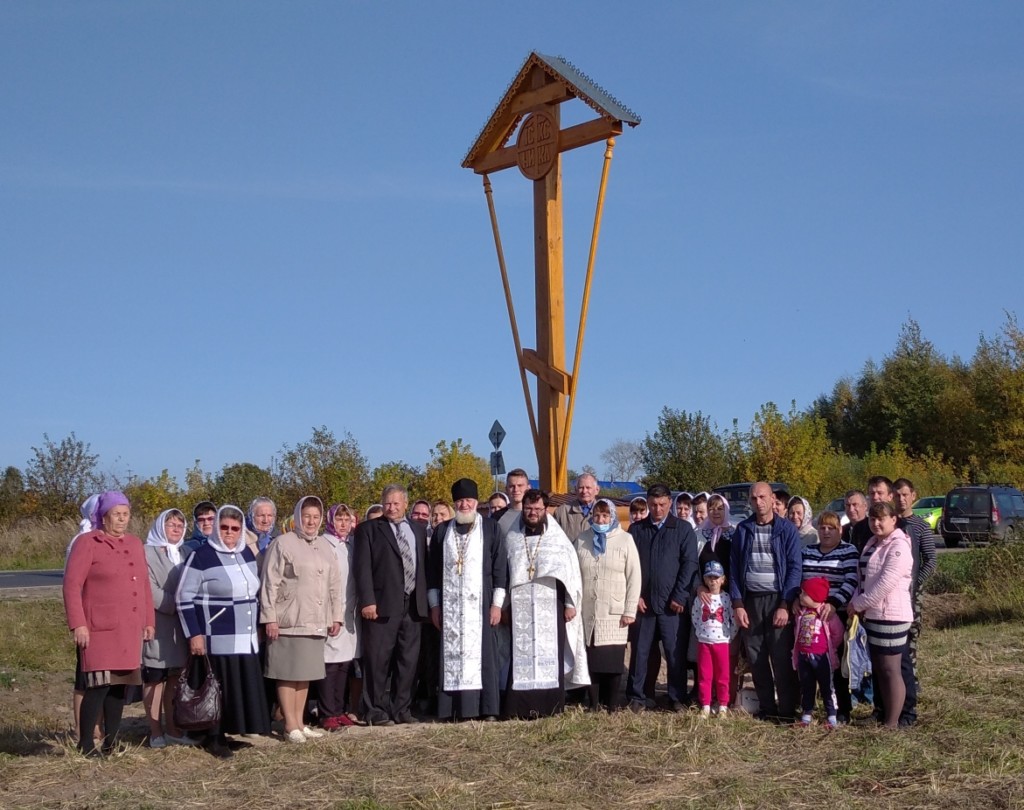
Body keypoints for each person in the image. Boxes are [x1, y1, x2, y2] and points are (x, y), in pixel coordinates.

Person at [63, 491, 155, 756]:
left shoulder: (135, 544)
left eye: (126, 514)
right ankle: (86, 743)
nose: (122, 520)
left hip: (128, 628)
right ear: (103, 517)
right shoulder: (87, 542)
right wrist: (78, 624)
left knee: (120, 686)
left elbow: (145, 585)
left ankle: (111, 742)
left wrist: (148, 620)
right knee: (98, 685)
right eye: (117, 515)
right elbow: (71, 586)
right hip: (99, 628)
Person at [177, 505, 271, 758]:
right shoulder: (201, 556)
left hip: (245, 636)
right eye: (224, 527)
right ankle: (213, 737)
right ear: (216, 528)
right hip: (215, 636)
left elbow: (254, 592)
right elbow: (183, 598)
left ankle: (228, 733)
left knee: (235, 688)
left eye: (235, 529)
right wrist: (194, 634)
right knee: (216, 689)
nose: (229, 533)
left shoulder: (246, 554)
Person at [260, 496, 342, 744]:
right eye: (307, 516)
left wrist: (335, 616)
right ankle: (289, 724)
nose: (311, 521)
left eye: (316, 517)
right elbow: (269, 583)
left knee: (304, 672)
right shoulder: (282, 543)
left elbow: (335, 584)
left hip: (315, 619)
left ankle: (300, 722)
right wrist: (269, 618)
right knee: (287, 672)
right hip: (288, 620)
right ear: (297, 516)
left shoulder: (326, 546)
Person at [503, 488, 589, 718]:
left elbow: (570, 572)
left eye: (537, 509)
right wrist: (503, 606)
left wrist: (571, 603)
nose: (532, 513)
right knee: (520, 653)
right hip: (520, 607)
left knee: (550, 654)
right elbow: (504, 572)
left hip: (551, 607)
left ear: (546, 509)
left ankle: (550, 706)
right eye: (528, 508)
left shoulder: (557, 539)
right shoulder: (512, 537)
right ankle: (519, 707)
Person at [427, 478, 508, 721]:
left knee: (484, 656)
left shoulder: (491, 529)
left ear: (476, 502)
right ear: (455, 503)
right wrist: (434, 605)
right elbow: (433, 572)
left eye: (469, 500)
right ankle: (451, 710)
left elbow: (500, 569)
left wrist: (497, 604)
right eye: (460, 500)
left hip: (481, 605)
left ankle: (487, 709)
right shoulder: (443, 530)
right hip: (450, 608)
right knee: (451, 655)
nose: (464, 504)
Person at [353, 484, 429, 726]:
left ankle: (401, 709)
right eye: (387, 503)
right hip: (382, 605)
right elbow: (362, 568)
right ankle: (375, 710)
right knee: (378, 660)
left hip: (413, 605)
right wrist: (367, 601)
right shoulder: (369, 530)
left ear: (406, 504)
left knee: (408, 661)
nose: (392, 508)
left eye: (396, 503)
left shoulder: (417, 530)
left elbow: (424, 567)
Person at [730, 482, 802, 723]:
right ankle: (767, 708)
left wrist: (785, 603)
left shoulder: (786, 530)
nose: (758, 502)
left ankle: (787, 710)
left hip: (777, 600)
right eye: (753, 498)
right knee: (756, 657)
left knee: (781, 659)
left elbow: (794, 568)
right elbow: (735, 569)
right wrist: (738, 603)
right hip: (751, 601)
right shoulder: (743, 529)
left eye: (762, 497)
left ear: (773, 499)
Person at [625, 483, 699, 713]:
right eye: (653, 505)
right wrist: (634, 596)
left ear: (670, 504)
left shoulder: (683, 529)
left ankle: (676, 697)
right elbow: (628, 565)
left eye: (662, 505)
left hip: (672, 605)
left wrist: (680, 595)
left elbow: (690, 564)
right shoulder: (637, 530)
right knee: (640, 652)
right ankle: (637, 697)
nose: (658, 509)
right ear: (647, 503)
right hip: (644, 603)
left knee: (674, 653)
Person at [849, 501, 915, 729]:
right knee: (880, 669)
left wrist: (858, 603)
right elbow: (865, 578)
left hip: (892, 615)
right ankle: (885, 714)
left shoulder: (898, 546)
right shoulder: (874, 542)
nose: (876, 523)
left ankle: (892, 722)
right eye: (872, 519)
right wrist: (858, 601)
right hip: (875, 614)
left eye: (881, 519)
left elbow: (884, 584)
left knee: (891, 669)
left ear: (893, 520)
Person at [574, 498, 640, 713]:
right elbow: (574, 574)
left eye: (605, 516)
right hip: (588, 610)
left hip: (615, 611)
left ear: (612, 517)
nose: (600, 519)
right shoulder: (582, 539)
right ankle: (593, 704)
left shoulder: (625, 540)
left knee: (611, 661)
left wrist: (630, 610)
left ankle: (611, 704)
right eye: (597, 515)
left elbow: (634, 576)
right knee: (591, 660)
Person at [142, 508, 196, 748]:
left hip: (181, 627)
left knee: (175, 678)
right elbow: (147, 588)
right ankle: (155, 731)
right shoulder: (147, 552)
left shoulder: (186, 552)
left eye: (179, 525)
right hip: (157, 623)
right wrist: (177, 603)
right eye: (170, 524)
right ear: (160, 526)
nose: (175, 528)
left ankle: (173, 728)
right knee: (155, 678)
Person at [800, 511, 859, 722]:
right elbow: (799, 578)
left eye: (831, 528)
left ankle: (842, 710)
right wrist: (799, 601)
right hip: (808, 618)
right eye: (823, 527)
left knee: (836, 665)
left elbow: (851, 580)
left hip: (836, 616)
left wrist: (833, 604)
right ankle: (808, 708)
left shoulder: (848, 550)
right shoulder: (807, 551)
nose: (826, 532)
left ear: (839, 530)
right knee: (808, 664)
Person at [892, 477, 938, 693]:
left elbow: (931, 559)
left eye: (905, 495)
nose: (901, 499)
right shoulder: (889, 523)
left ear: (913, 496)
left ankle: (912, 682)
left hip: (912, 593)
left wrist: (916, 583)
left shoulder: (920, 526)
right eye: (897, 495)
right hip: (889, 594)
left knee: (910, 637)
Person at [319, 504, 360, 731]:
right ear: (331, 520)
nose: (343, 524)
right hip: (331, 611)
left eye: (347, 519)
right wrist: (330, 614)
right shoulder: (325, 544)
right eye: (339, 519)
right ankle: (326, 712)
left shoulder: (350, 544)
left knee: (345, 662)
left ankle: (338, 709)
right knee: (330, 663)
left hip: (349, 611)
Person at [66, 493, 101, 746]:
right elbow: (73, 584)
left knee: (104, 678)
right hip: (89, 620)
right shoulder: (82, 540)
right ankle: (82, 729)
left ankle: (98, 725)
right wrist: (79, 621)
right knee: (85, 677)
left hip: (107, 620)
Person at [791, 577, 844, 728]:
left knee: (827, 686)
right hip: (803, 656)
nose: (800, 596)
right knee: (807, 685)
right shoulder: (801, 613)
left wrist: (829, 648)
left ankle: (832, 715)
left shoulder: (826, 614)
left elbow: (838, 633)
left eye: (803, 594)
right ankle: (807, 713)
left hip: (822, 657)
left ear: (814, 597)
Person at [691, 560, 735, 718]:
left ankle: (723, 704)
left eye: (716, 577)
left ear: (723, 579)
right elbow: (695, 616)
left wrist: (729, 635)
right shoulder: (700, 599)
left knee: (723, 675)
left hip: (722, 642)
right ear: (704, 579)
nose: (713, 580)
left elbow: (732, 619)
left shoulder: (726, 598)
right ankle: (706, 704)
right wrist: (700, 632)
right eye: (709, 577)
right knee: (705, 675)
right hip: (704, 642)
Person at [553, 473, 600, 541]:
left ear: (597, 490)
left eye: (588, 487)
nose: (584, 491)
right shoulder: (562, 511)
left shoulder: (606, 512)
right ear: (575, 490)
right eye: (581, 488)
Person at [493, 468, 530, 533]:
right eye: (511, 486)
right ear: (506, 489)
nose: (516, 489)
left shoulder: (537, 514)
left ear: (528, 488)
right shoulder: (497, 517)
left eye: (520, 485)